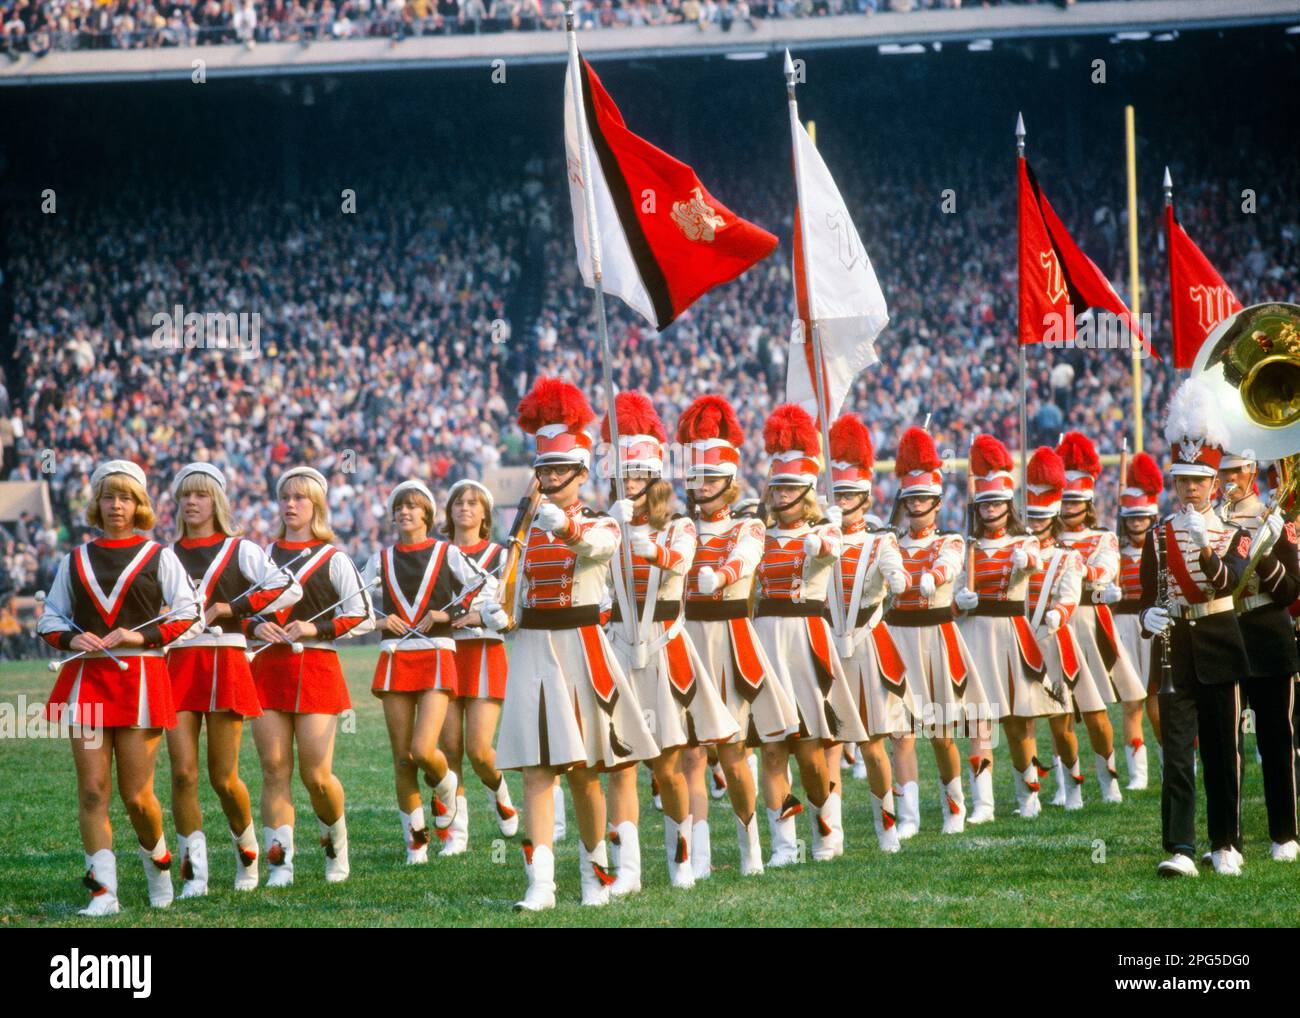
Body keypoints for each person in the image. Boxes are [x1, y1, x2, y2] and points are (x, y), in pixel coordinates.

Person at [483, 378, 656, 911]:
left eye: (561, 471)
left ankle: (594, 875)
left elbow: (599, 548)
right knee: (538, 768)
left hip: (582, 646)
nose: (551, 479)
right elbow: (508, 583)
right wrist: (495, 607)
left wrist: (565, 528)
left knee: (585, 772)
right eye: (545, 471)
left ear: (582, 474)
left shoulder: (604, 521)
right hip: (534, 645)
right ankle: (539, 884)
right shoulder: (520, 532)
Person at [36, 460, 200, 916]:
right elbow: (49, 617)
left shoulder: (158, 556)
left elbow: (189, 614)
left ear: (140, 504)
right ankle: (103, 894)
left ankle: (160, 868)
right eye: (108, 496)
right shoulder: (76, 558)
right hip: (87, 682)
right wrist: (72, 638)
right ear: (97, 502)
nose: (116, 505)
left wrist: (140, 636)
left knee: (138, 796)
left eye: (126, 497)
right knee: (92, 790)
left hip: (141, 681)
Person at [603, 391, 739, 893]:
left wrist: (648, 547)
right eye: (625, 475)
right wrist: (601, 532)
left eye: (639, 476)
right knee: (619, 764)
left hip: (663, 647)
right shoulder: (605, 523)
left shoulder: (680, 523)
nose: (632, 483)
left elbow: (681, 560)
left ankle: (682, 860)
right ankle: (629, 872)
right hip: (617, 648)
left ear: (655, 479)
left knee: (669, 765)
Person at [166, 462, 301, 896]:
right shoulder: (163, 553)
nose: (192, 502)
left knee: (223, 777)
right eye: (186, 494)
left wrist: (232, 608)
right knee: (183, 774)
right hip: (177, 664)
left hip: (225, 661)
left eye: (201, 494)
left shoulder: (240, 549)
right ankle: (194, 875)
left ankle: (247, 851)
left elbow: (287, 588)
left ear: (217, 501)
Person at [680, 394, 797, 877]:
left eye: (710, 477)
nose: (701, 485)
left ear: (729, 483)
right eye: (695, 477)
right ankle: (700, 858)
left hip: (730, 638)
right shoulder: (680, 527)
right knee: (690, 752)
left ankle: (752, 845)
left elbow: (746, 560)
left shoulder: (749, 525)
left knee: (733, 752)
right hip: (687, 637)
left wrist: (721, 575)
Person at [1140, 379, 1251, 877]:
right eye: (1182, 480)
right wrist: (1148, 617)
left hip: (1220, 643)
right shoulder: (1158, 534)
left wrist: (1205, 546)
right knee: (1178, 755)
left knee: (1224, 752)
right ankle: (1180, 848)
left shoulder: (1237, 533)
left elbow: (1226, 581)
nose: (1189, 489)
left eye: (1199, 480)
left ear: (1213, 482)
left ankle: (1226, 842)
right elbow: (1146, 595)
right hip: (1176, 649)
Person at [248, 466, 375, 887]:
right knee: (273, 768)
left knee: (317, 774)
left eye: (301, 498)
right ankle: (280, 863)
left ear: (317, 505)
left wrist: (314, 628)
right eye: (285, 496)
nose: (291, 504)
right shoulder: (261, 555)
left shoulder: (333, 556)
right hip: (268, 666)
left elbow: (361, 616)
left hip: (317, 666)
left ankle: (336, 840)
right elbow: (243, 610)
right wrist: (254, 627)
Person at [753, 404, 867, 864]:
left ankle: (827, 824)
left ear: (807, 494)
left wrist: (824, 536)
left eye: (791, 490)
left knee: (810, 750)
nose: (781, 497)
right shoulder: (755, 533)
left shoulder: (824, 532)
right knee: (772, 748)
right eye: (776, 487)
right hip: (764, 636)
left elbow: (826, 554)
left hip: (805, 638)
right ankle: (783, 842)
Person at [364, 479, 483, 865]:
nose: (404, 512)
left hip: (436, 653)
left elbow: (485, 586)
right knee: (402, 758)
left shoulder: (446, 553)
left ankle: (447, 787)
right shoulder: (380, 558)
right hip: (396, 655)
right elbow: (354, 607)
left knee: (422, 749)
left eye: (413, 507)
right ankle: (416, 841)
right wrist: (383, 623)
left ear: (428, 515)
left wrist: (448, 615)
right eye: (399, 506)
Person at [885, 426, 989, 834]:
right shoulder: (889, 542)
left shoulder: (950, 541)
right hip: (898, 638)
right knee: (901, 734)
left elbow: (948, 566)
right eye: (910, 500)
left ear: (937, 503)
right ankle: (908, 816)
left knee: (942, 734)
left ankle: (955, 806)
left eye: (923, 499)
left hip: (936, 639)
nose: (916, 507)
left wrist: (932, 578)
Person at [825, 413, 912, 850]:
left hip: (866, 642)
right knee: (826, 743)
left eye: (849, 496)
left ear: (864, 499)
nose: (841, 504)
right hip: (824, 642)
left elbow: (893, 566)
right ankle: (830, 835)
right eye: (836, 495)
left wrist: (898, 578)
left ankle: (887, 827)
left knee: (875, 743)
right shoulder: (818, 536)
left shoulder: (880, 541)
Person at [954, 435, 1051, 823]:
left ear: (1008, 505)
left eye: (997, 502)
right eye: (985, 503)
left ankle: (1028, 795)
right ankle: (983, 804)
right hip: (976, 633)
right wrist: (959, 600)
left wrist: (1026, 557)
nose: (991, 509)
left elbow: (1033, 564)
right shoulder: (966, 544)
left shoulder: (1024, 539)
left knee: (1018, 722)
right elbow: (953, 590)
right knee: (980, 720)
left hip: (1012, 634)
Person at [1216, 449, 1300, 862]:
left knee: (1276, 737)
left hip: (1266, 630)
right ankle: (1228, 841)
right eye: (1224, 471)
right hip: (1225, 632)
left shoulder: (1274, 519)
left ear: (1251, 470)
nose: (1229, 478)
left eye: (1236, 470)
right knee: (1224, 741)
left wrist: (1264, 553)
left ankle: (1285, 834)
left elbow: (1289, 591)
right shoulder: (1209, 522)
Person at [1055, 432, 1142, 803]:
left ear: (1087, 501)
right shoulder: (1043, 538)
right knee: (1058, 714)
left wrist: (1081, 572)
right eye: (1063, 499)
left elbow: (1105, 568)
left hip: (1089, 624)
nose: (1068, 506)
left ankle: (1109, 781)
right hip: (1055, 627)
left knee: (1095, 711)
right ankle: (1068, 788)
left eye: (1075, 499)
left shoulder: (1103, 537)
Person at [440, 478, 519, 856]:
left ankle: (499, 790)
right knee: (449, 748)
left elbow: (511, 610)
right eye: (458, 501)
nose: (465, 508)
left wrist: (479, 616)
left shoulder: (502, 556)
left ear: (485, 513)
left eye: (473, 502)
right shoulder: (435, 554)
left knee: (478, 749)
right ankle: (457, 832)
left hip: (485, 651)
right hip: (444, 652)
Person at [1020, 446, 1087, 812]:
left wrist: (1058, 614)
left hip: (1052, 639)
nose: (1036, 522)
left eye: (1042, 516)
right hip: (1020, 641)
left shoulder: (1068, 556)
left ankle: (1072, 786)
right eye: (1031, 516)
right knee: (1023, 721)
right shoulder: (1016, 548)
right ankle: (1030, 796)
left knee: (1061, 724)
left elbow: (1070, 594)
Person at [1108, 452, 1164, 787]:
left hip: (1153, 625)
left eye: (1142, 518)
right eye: (1131, 519)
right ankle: (1138, 775)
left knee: (1159, 703)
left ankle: (1169, 761)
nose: (1137, 524)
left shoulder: (1161, 549)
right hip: (1123, 627)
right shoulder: (1113, 549)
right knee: (1132, 703)